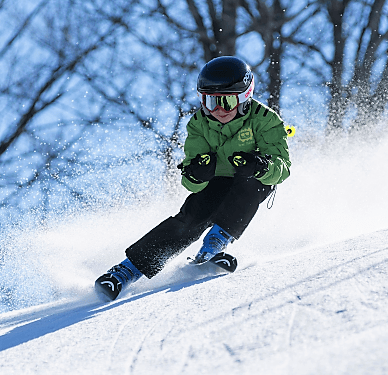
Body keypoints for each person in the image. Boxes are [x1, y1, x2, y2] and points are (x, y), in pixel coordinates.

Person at [95, 56, 291, 300]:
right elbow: (189, 180)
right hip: (217, 181)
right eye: (209, 101)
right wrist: (197, 174)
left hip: (251, 179)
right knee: (192, 216)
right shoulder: (199, 123)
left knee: (254, 183)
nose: (217, 110)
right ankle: (126, 271)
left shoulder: (265, 119)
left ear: (244, 98)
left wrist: (260, 165)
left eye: (226, 101)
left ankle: (214, 246)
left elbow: (282, 168)